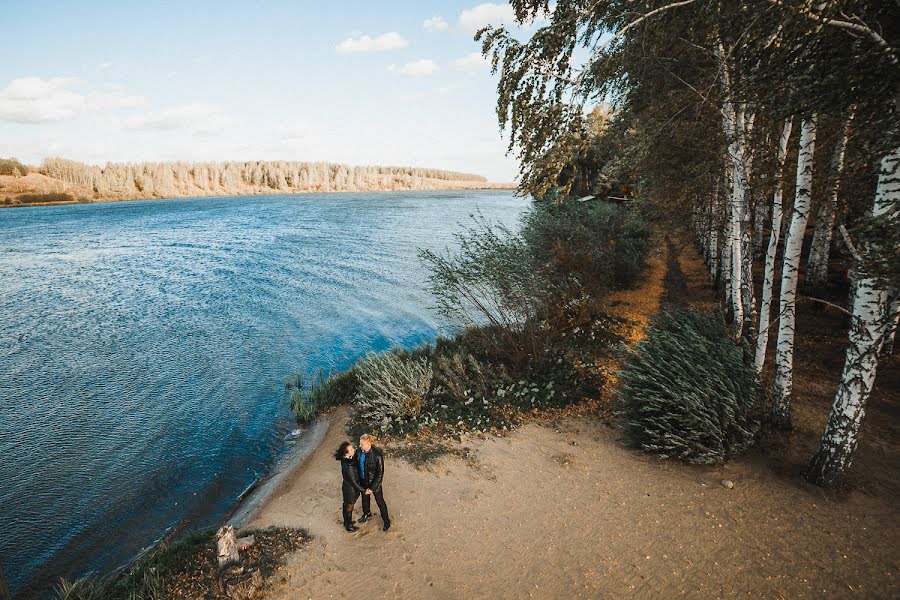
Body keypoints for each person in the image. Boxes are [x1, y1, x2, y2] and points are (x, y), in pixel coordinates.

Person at [357, 433, 390, 531]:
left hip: (375, 484)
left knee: (380, 502)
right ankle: (366, 513)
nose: (359, 446)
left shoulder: (377, 455)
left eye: (361, 444)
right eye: (360, 443)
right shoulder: (359, 451)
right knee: (364, 499)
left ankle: (386, 521)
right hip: (363, 481)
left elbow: (380, 473)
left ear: (368, 444)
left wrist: (372, 488)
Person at [334, 441, 365, 532]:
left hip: (348, 486)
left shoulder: (346, 459)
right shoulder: (348, 465)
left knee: (346, 504)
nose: (353, 450)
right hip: (350, 489)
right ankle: (348, 526)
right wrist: (363, 490)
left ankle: (347, 522)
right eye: (351, 449)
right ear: (346, 453)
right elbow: (353, 481)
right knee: (349, 506)